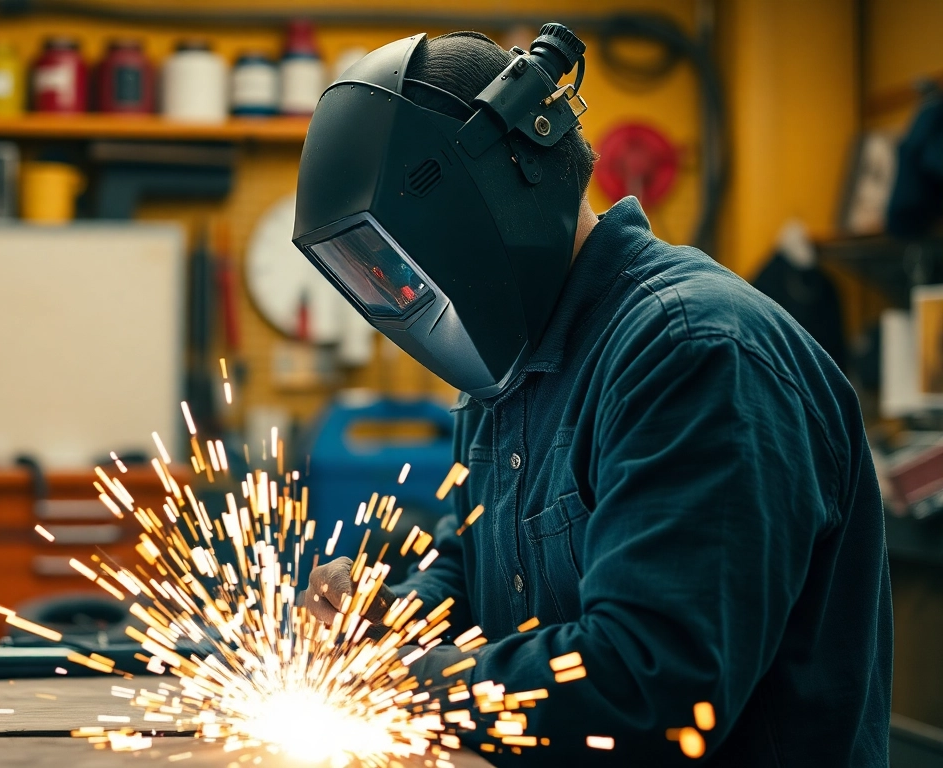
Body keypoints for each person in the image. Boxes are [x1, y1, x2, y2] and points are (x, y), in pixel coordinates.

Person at [294, 28, 890, 766]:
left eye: (401, 268)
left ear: (497, 182)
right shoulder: (509, 369)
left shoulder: (693, 355)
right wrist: (393, 619)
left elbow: (651, 687)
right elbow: (479, 566)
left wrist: (407, 682)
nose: (402, 301)